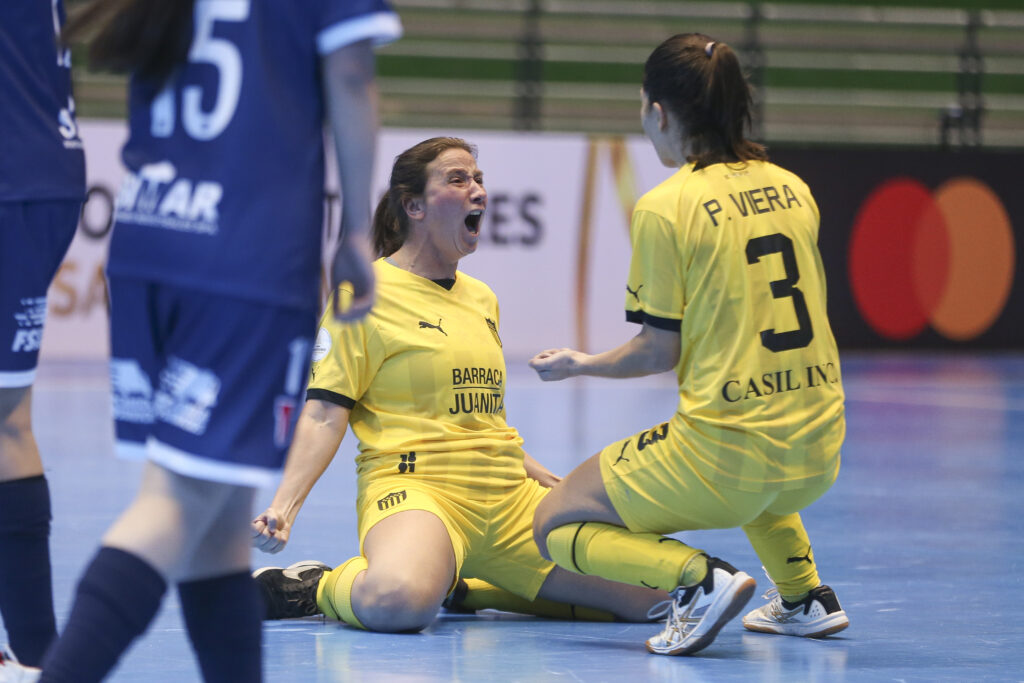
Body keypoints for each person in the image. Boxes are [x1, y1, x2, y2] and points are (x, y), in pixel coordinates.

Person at [0, 1, 401, 681]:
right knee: (177, 503)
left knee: (217, 529)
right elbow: (352, 78)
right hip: (242, 257)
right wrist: (358, 230)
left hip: (149, 245)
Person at [251, 137, 667, 633]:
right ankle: (314, 586)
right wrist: (284, 506)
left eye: (479, 178)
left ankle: (464, 589)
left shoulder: (482, 298)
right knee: (398, 601)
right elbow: (323, 412)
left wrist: (545, 478)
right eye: (458, 178)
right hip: (417, 489)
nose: (478, 190)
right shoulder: (361, 296)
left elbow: (479, 421)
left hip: (508, 498)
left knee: (655, 598)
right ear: (414, 206)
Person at [529, 33, 850, 657]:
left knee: (555, 522)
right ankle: (805, 596)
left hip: (725, 457)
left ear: (659, 112)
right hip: (820, 447)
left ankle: (700, 582)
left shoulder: (666, 206)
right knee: (762, 474)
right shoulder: (793, 187)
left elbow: (656, 352)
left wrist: (579, 365)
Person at [0, 0, 85, 673]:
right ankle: (34, 653)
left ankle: (35, 653)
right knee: (7, 419)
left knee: (4, 419)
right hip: (38, 168)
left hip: (15, 176)